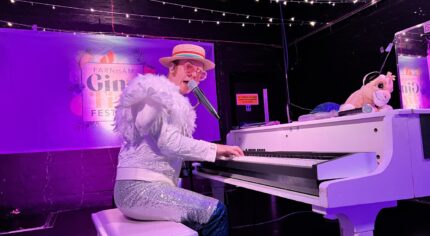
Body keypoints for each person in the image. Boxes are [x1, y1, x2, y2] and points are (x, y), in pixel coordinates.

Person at [113, 43, 244, 236]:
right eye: (189, 67)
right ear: (172, 67)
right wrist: (216, 150)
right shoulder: (157, 93)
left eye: (200, 73)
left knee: (195, 218)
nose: (194, 75)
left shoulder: (170, 98)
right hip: (139, 190)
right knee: (215, 212)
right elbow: (169, 143)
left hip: (141, 188)